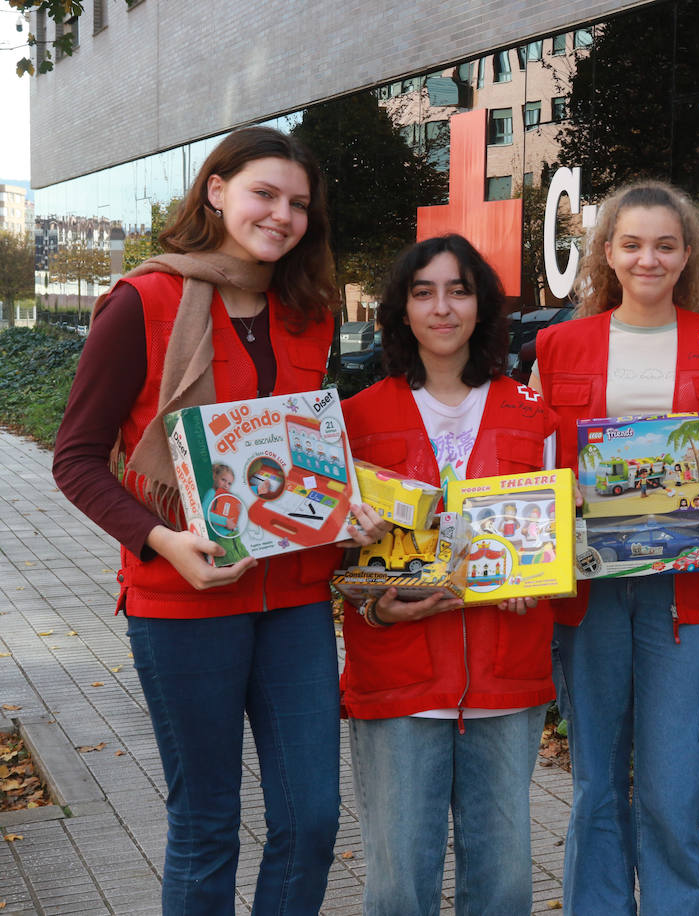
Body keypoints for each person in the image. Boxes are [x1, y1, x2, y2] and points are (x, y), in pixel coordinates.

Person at [51, 126, 386, 914]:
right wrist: (164, 540)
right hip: (183, 601)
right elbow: (76, 459)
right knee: (207, 827)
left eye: (299, 204)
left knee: (311, 822)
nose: (282, 215)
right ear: (216, 190)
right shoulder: (143, 301)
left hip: (294, 601)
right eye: (265, 193)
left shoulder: (308, 310)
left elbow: (301, 456)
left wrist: (346, 508)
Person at [532, 180, 699, 914]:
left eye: (665, 244)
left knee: (672, 780)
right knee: (597, 778)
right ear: (607, 253)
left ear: (687, 254)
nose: (648, 259)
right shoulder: (559, 343)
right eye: (632, 244)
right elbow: (534, 463)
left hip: (683, 590)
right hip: (589, 585)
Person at [339, 234, 559, 916]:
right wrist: (376, 611)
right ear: (401, 310)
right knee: (399, 883)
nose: (442, 308)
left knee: (502, 884)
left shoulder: (533, 415)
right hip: (399, 676)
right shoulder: (354, 420)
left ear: (482, 307)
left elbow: (553, 540)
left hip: (506, 677)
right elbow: (338, 562)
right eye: (424, 291)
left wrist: (536, 578)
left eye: (459, 290)